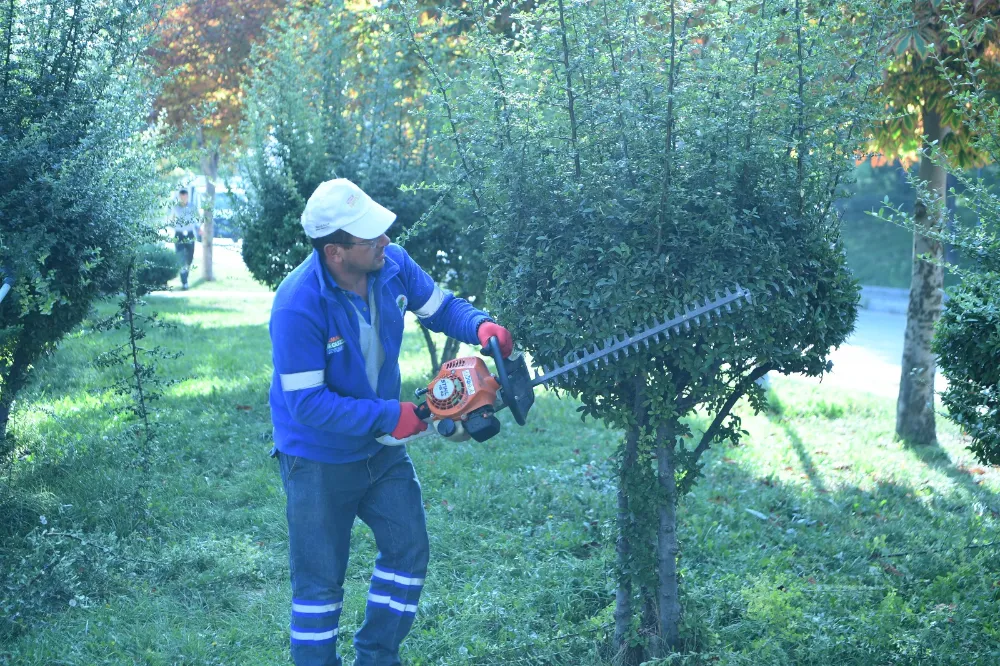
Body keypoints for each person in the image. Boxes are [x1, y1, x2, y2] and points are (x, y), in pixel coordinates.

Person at [268, 178, 513, 666]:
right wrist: (391, 414)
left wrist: (480, 325)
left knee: (408, 551)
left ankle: (377, 657)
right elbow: (308, 405)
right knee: (319, 585)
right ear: (336, 251)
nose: (384, 241)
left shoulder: (392, 263)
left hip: (381, 451)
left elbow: (441, 308)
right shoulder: (298, 303)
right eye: (369, 237)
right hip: (317, 459)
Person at [169, 187, 199, 289]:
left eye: (185, 197)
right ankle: (184, 282)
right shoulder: (175, 207)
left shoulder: (192, 207)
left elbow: (197, 219)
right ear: (179, 197)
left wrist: (199, 228)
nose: (183, 199)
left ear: (187, 196)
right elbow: (171, 219)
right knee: (181, 257)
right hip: (179, 234)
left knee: (189, 258)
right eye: (181, 197)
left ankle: (186, 276)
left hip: (190, 234)